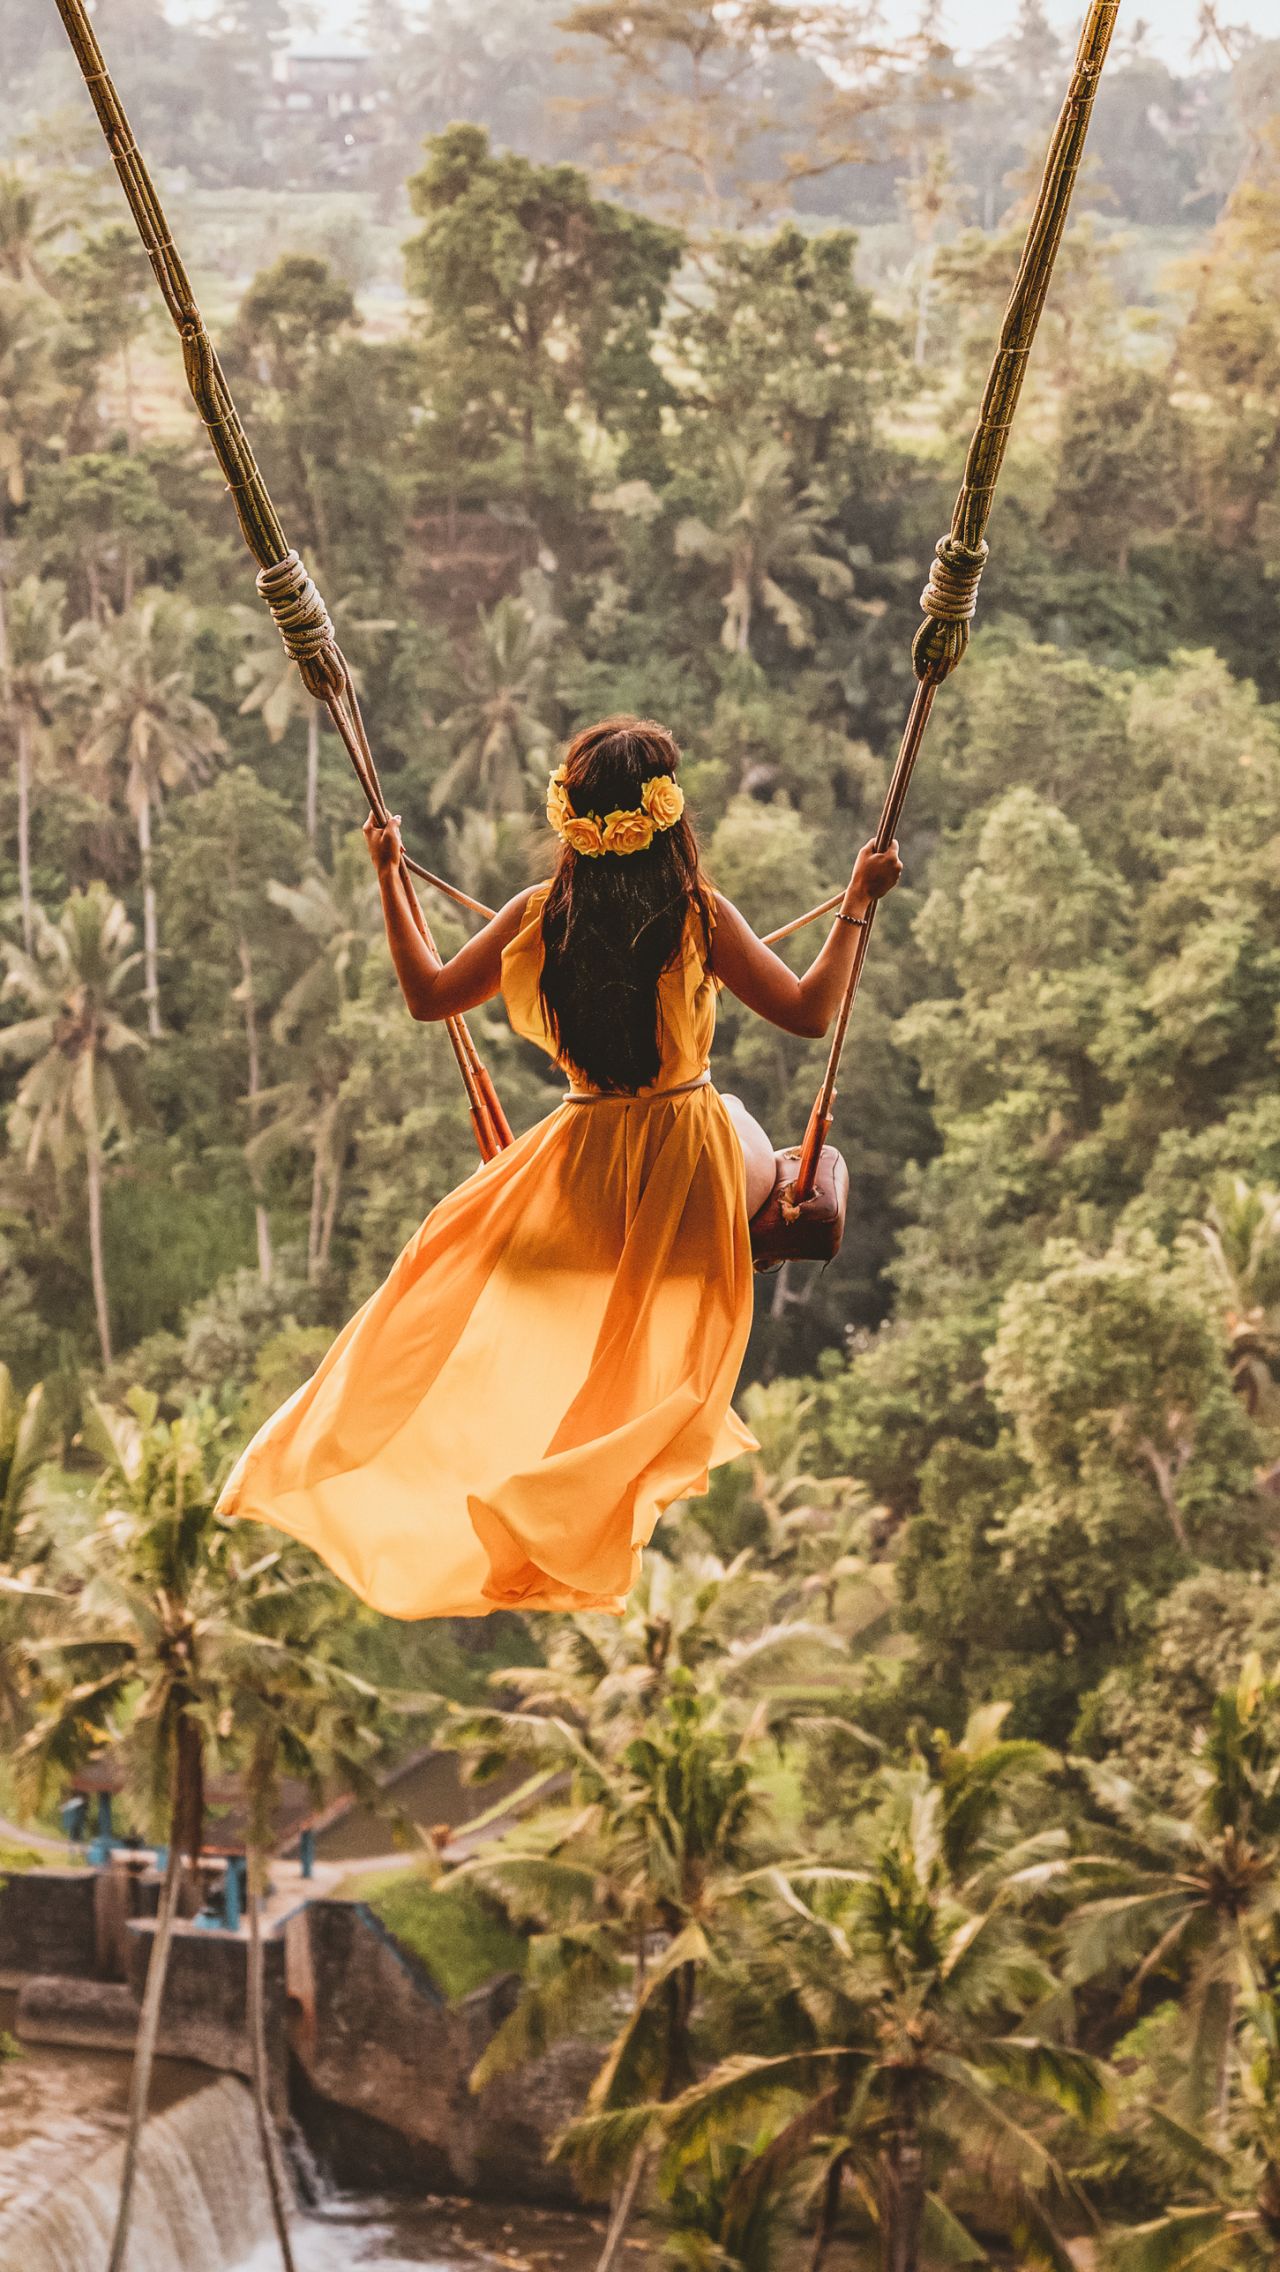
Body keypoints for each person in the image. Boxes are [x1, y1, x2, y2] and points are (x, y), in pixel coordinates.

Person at [217, 717, 902, 1619]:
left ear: (572, 816)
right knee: (752, 1133)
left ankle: (355, 1454)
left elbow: (428, 995)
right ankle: (732, 1245)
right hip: (692, 1162)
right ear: (669, 815)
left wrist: (390, 877)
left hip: (577, 1171)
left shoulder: (539, 917)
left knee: (445, 1256)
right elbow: (813, 1013)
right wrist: (858, 898)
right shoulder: (699, 912)